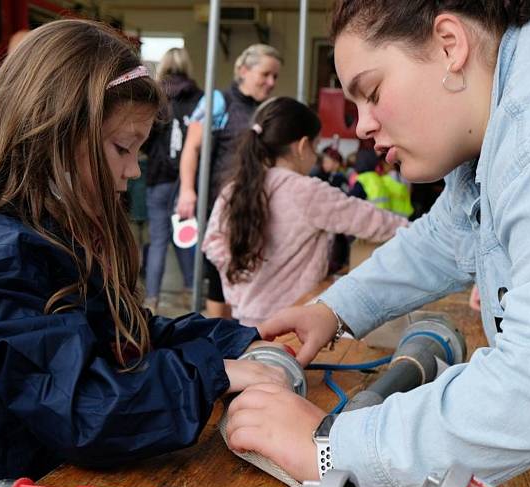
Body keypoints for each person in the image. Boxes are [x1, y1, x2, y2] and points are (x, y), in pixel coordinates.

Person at [224, 2, 530, 487]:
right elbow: (446, 235)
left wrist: (329, 446)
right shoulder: (517, 102)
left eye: (371, 92)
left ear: (448, 44)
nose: (364, 124)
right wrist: (333, 308)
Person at [0, 20, 289, 487]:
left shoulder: (55, 232)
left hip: (61, 486)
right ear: (56, 133)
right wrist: (214, 373)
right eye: (123, 147)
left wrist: (236, 340)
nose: (134, 168)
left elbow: (124, 334)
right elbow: (85, 407)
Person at [202, 97, 406, 326]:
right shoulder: (306, 191)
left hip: (246, 318)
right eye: (316, 147)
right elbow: (372, 221)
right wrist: (419, 230)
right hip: (293, 323)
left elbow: (212, 243)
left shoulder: (234, 187)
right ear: (302, 146)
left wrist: (239, 286)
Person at [177, 44, 282, 318]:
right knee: (218, 276)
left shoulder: (265, 110)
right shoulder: (219, 101)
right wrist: (187, 190)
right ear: (244, 70)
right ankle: (218, 339)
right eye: (266, 74)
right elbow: (192, 147)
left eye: (275, 77)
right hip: (219, 205)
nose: (271, 83)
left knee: (244, 274)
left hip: (251, 204)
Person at [142, 48, 203, 311]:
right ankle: (191, 292)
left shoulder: (155, 98)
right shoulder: (199, 98)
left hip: (158, 177)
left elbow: (145, 140)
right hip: (186, 181)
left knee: (158, 240)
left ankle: (152, 299)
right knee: (185, 237)